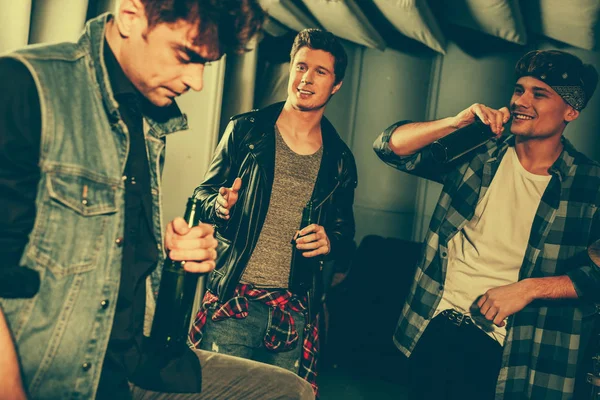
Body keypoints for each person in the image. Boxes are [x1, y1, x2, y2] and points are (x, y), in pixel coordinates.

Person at [0, 0, 315, 399]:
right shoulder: (23, 85)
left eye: (206, 64)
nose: (197, 82)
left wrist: (173, 257)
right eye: (186, 56)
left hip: (135, 360)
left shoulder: (148, 115)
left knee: (288, 390)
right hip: (59, 372)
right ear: (131, 14)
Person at [373, 49, 600, 399]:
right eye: (519, 90)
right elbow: (390, 147)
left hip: (514, 352)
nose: (521, 101)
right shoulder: (479, 151)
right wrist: (456, 123)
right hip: (435, 325)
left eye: (539, 94)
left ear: (571, 110)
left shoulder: (590, 183)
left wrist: (528, 289)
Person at [188, 28, 357, 395]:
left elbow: (347, 241)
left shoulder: (340, 160)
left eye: (320, 72)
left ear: (337, 84)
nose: (306, 79)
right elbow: (200, 195)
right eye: (300, 66)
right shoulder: (246, 130)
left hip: (293, 313)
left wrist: (330, 241)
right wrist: (218, 205)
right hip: (233, 304)